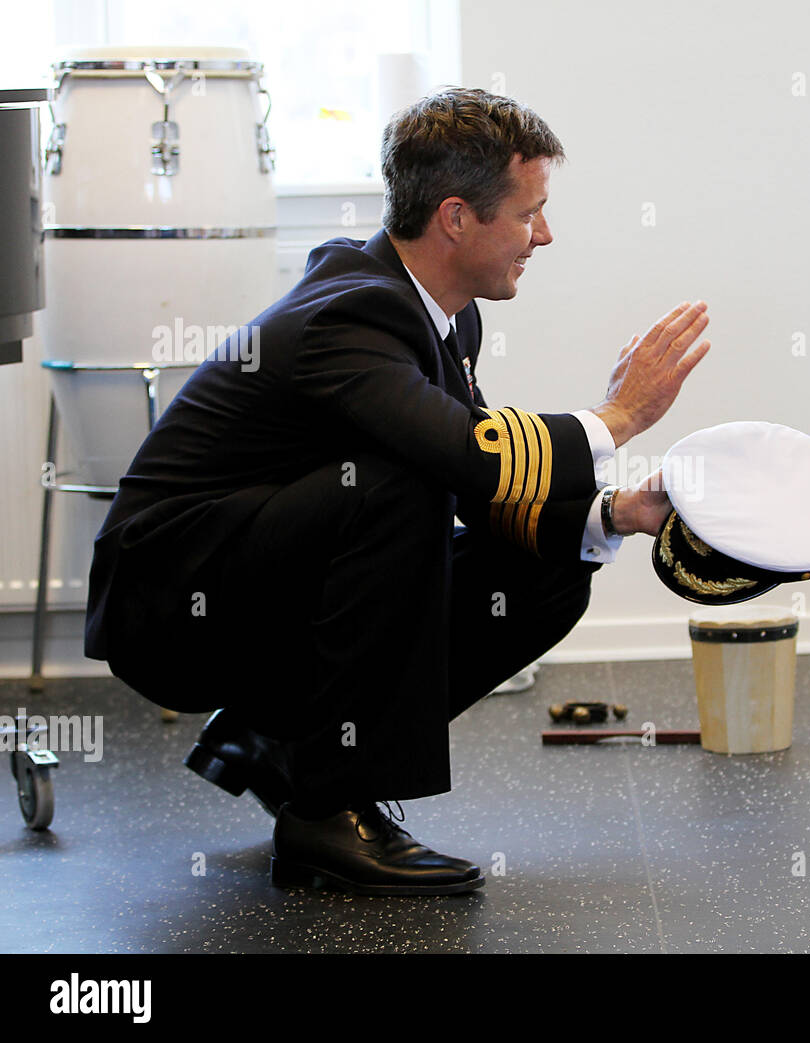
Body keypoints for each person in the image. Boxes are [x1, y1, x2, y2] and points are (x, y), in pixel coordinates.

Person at [83, 87, 711, 896]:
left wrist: (614, 514)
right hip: (172, 603)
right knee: (391, 482)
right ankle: (327, 810)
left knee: (548, 568)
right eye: (529, 214)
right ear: (456, 217)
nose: (543, 235)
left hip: (259, 574)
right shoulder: (355, 311)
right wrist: (620, 415)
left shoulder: (443, 316)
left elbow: (484, 488)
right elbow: (461, 456)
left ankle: (282, 741)